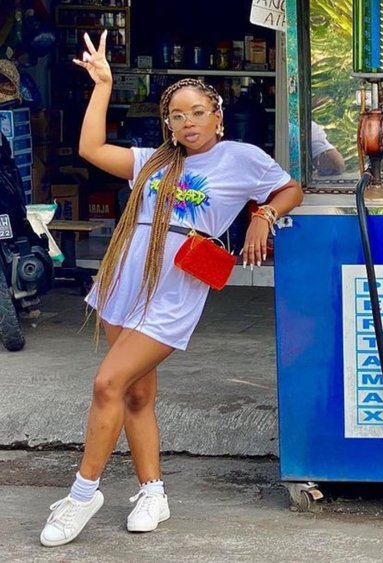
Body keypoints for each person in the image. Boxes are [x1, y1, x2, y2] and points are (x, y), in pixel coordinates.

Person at [39, 31, 303, 547]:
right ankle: (153, 492)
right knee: (136, 393)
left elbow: (291, 187)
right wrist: (103, 85)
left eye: (198, 112)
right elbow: (89, 147)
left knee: (106, 384)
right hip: (124, 279)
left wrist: (263, 215)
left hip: (175, 287)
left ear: (218, 117)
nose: (188, 122)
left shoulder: (241, 157)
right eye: (177, 115)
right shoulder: (152, 161)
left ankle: (82, 493)